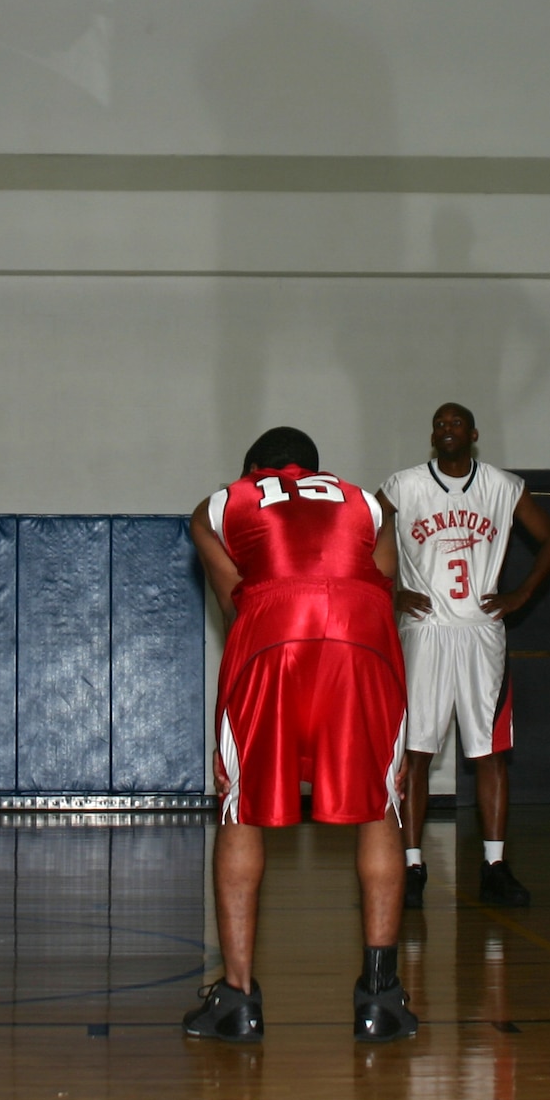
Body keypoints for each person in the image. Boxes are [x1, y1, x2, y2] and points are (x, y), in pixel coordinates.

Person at [182, 426, 416, 1044]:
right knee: (382, 806)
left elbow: (233, 604)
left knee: (239, 806)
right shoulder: (371, 502)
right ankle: (380, 998)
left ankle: (236, 999)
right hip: (361, 637)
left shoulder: (221, 502)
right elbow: (383, 585)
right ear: (320, 472)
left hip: (272, 634)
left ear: (255, 468)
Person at [378, 402, 550, 909]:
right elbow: (364, 534)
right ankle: (412, 866)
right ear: (431, 434)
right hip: (425, 630)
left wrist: (520, 595)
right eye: (438, 422)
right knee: (416, 752)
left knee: (490, 751)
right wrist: (388, 591)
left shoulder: (502, 487)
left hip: (481, 630)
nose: (446, 428)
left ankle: (495, 864)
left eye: (455, 422)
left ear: (474, 433)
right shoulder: (404, 485)